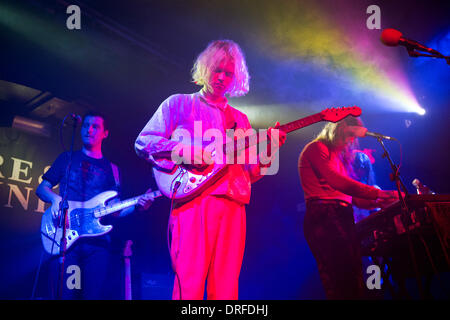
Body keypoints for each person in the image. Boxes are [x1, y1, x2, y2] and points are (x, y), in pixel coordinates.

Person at [134, 40, 286, 300]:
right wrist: (186, 152)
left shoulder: (241, 120)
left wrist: (271, 148)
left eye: (229, 73)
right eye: (217, 70)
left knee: (226, 287)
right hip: (193, 202)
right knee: (189, 283)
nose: (222, 77)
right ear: (205, 68)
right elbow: (144, 142)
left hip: (232, 206)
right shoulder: (178, 104)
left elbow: (251, 172)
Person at [36, 111, 154, 299]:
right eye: (86, 125)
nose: (89, 130)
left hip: (98, 245)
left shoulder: (113, 170)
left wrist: (138, 206)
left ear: (105, 133)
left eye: (95, 127)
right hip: (67, 242)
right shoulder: (67, 158)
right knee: (63, 294)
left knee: (92, 295)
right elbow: (42, 189)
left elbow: (115, 211)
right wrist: (55, 199)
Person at [297, 116, 398, 300]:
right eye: (351, 134)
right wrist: (378, 195)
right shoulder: (316, 148)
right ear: (340, 127)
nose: (352, 141)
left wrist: (386, 199)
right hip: (324, 216)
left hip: (341, 215)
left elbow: (353, 199)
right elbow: (337, 182)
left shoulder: (339, 157)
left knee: (353, 277)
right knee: (339, 279)